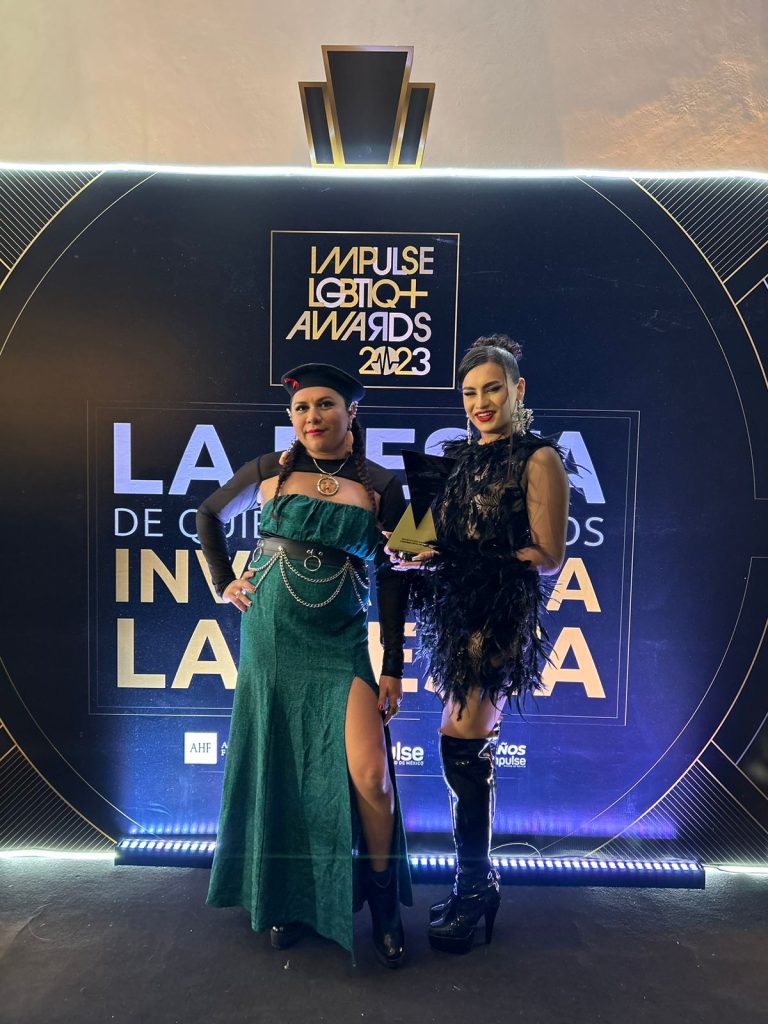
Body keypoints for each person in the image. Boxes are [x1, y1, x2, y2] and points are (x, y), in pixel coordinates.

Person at [196, 362, 412, 966]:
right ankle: (287, 899)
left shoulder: (386, 484)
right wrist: (223, 580)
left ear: (351, 412)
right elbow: (208, 514)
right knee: (282, 769)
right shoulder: (270, 469)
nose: (311, 417)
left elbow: (402, 576)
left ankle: (384, 905)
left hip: (341, 640)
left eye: (325, 405)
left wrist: (393, 665)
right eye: (300, 408)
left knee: (371, 776)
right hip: (271, 634)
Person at [389, 335, 569, 954]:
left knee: (463, 737)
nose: (481, 402)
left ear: (518, 389)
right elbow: (426, 537)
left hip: (499, 612)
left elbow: (547, 555)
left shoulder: (538, 459)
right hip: (455, 613)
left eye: (493, 388)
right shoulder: (456, 460)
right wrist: (409, 552)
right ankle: (476, 883)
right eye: (470, 393)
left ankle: (474, 886)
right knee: (459, 739)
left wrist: (455, 557)